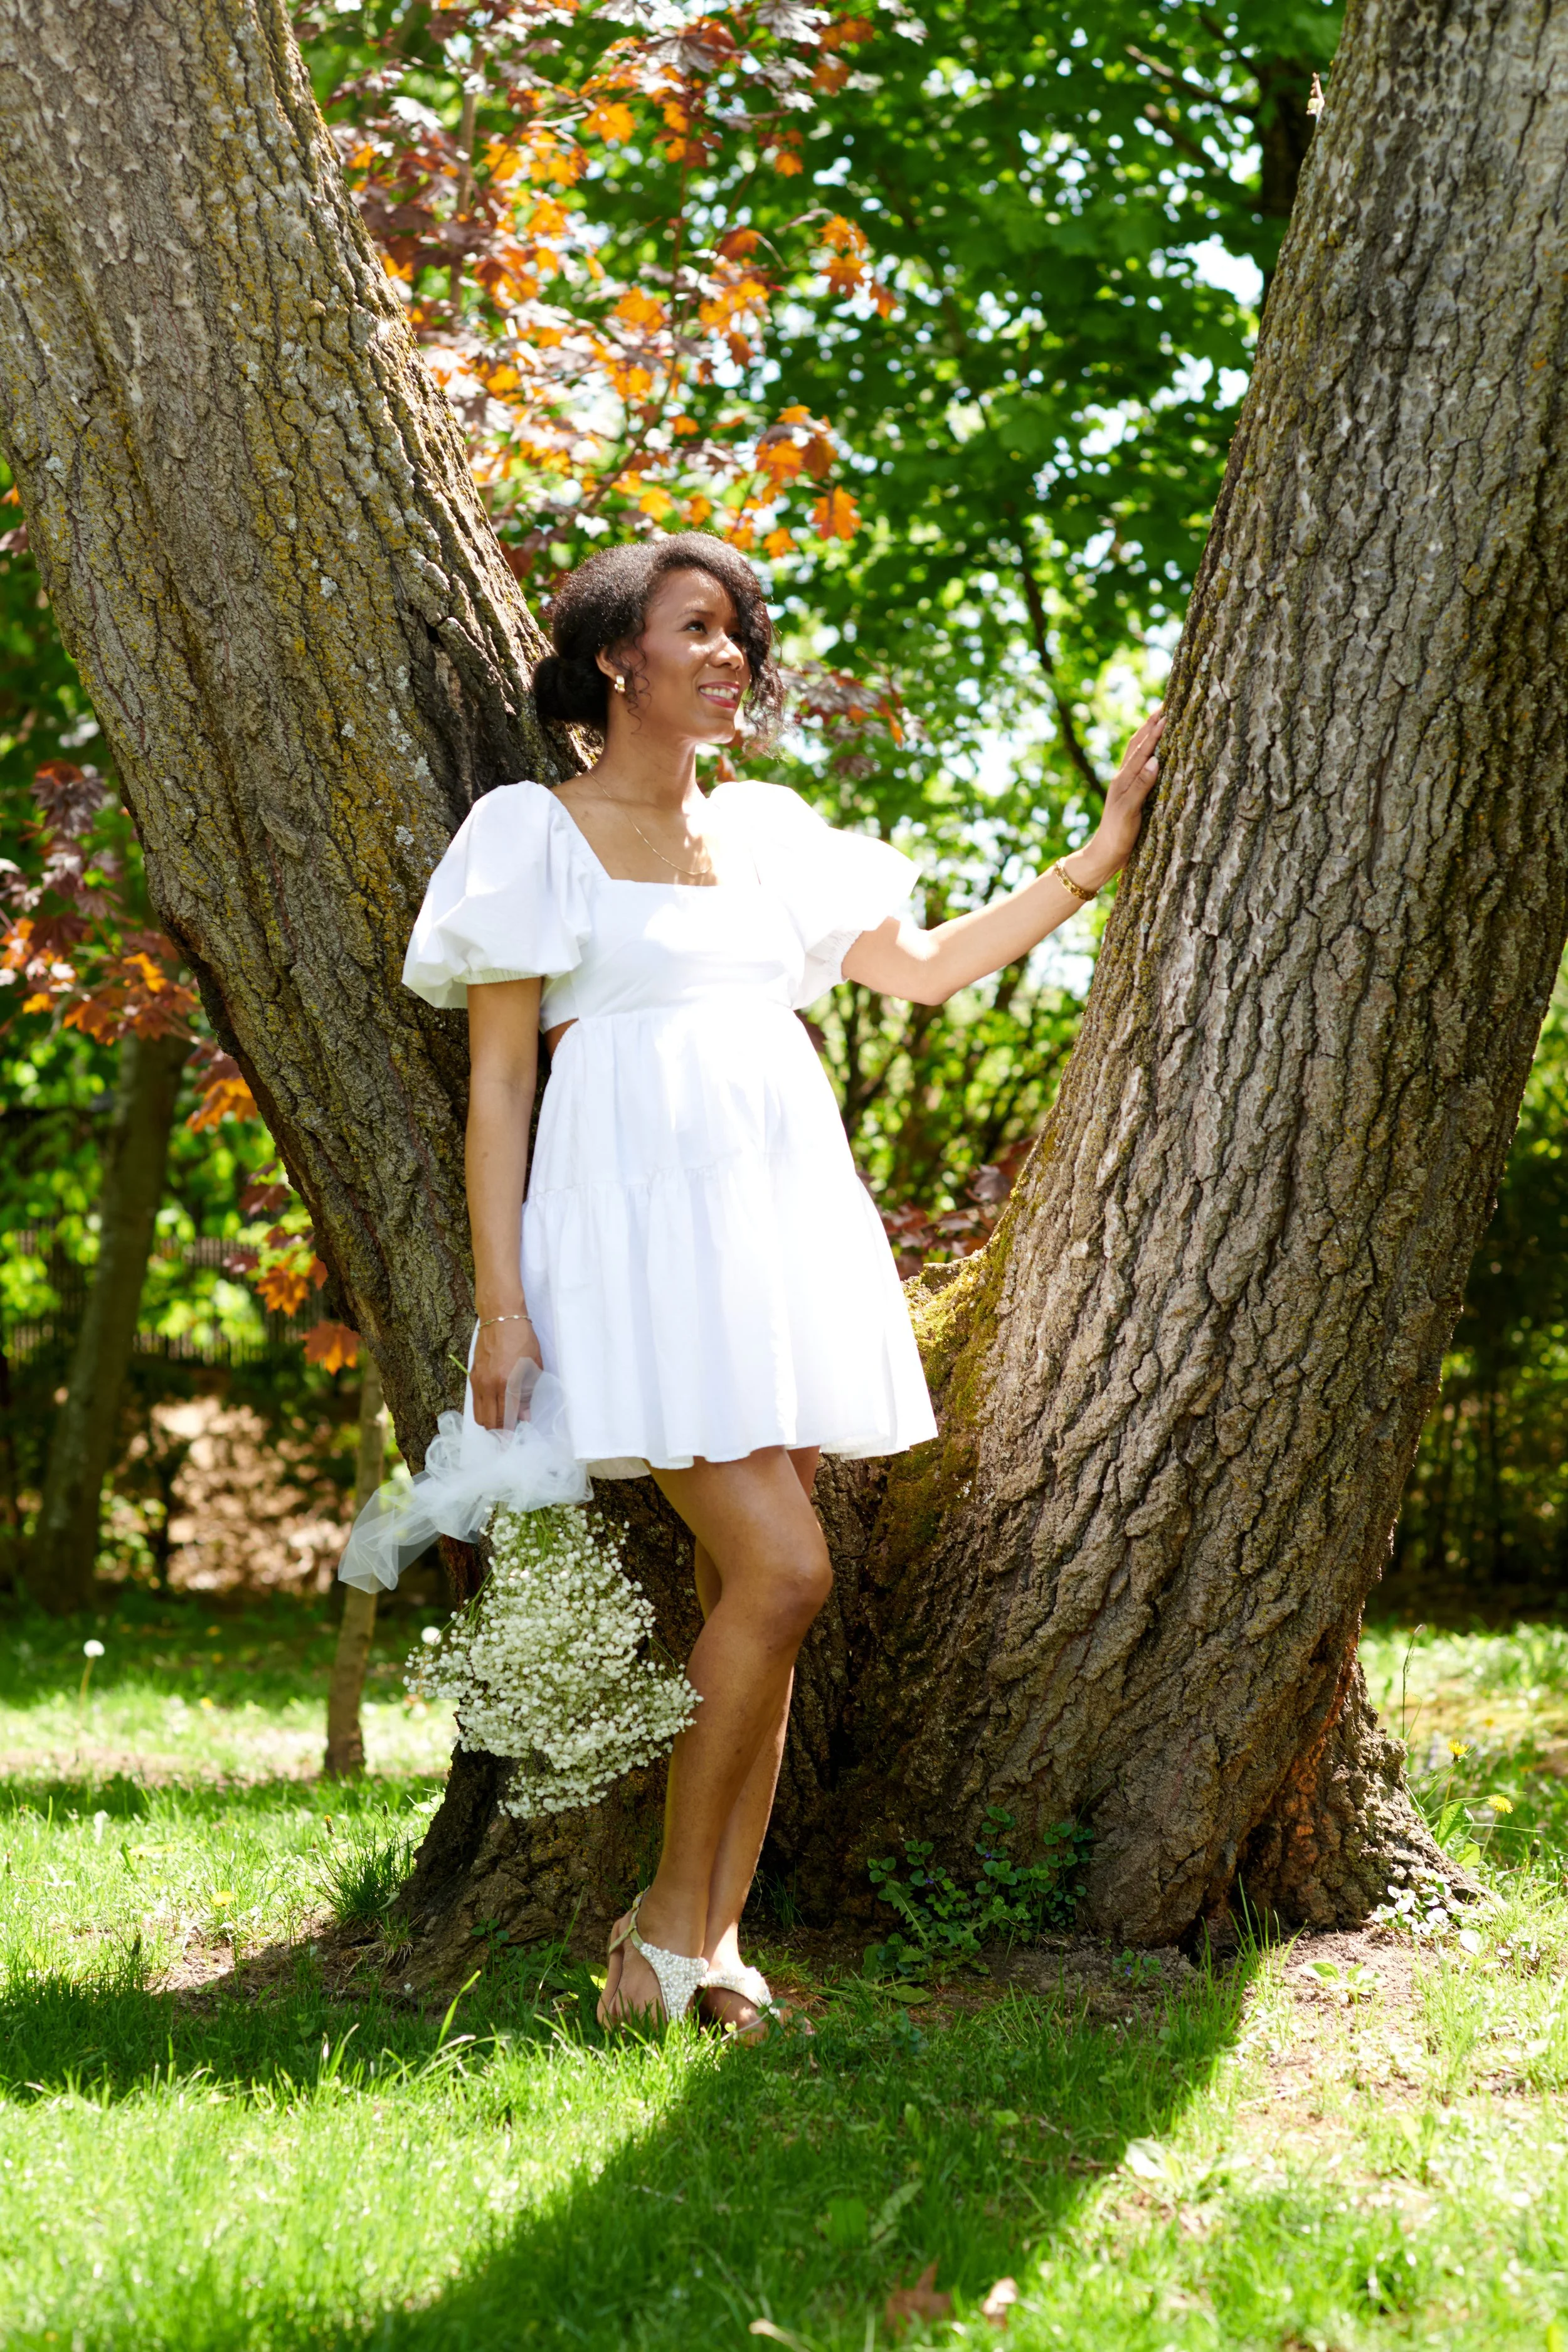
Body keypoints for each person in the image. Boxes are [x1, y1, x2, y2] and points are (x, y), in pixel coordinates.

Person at [403, 532, 1163, 2035]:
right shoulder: (529, 832)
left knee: (748, 1589)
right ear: (616, 657)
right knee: (784, 1569)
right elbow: (498, 1089)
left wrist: (1097, 854)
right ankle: (662, 1936)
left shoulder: (766, 831)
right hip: (628, 1242)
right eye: (698, 627)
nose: (732, 651)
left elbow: (927, 969)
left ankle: (712, 1941)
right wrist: (501, 1306)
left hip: (779, 1227)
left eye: (740, 629)